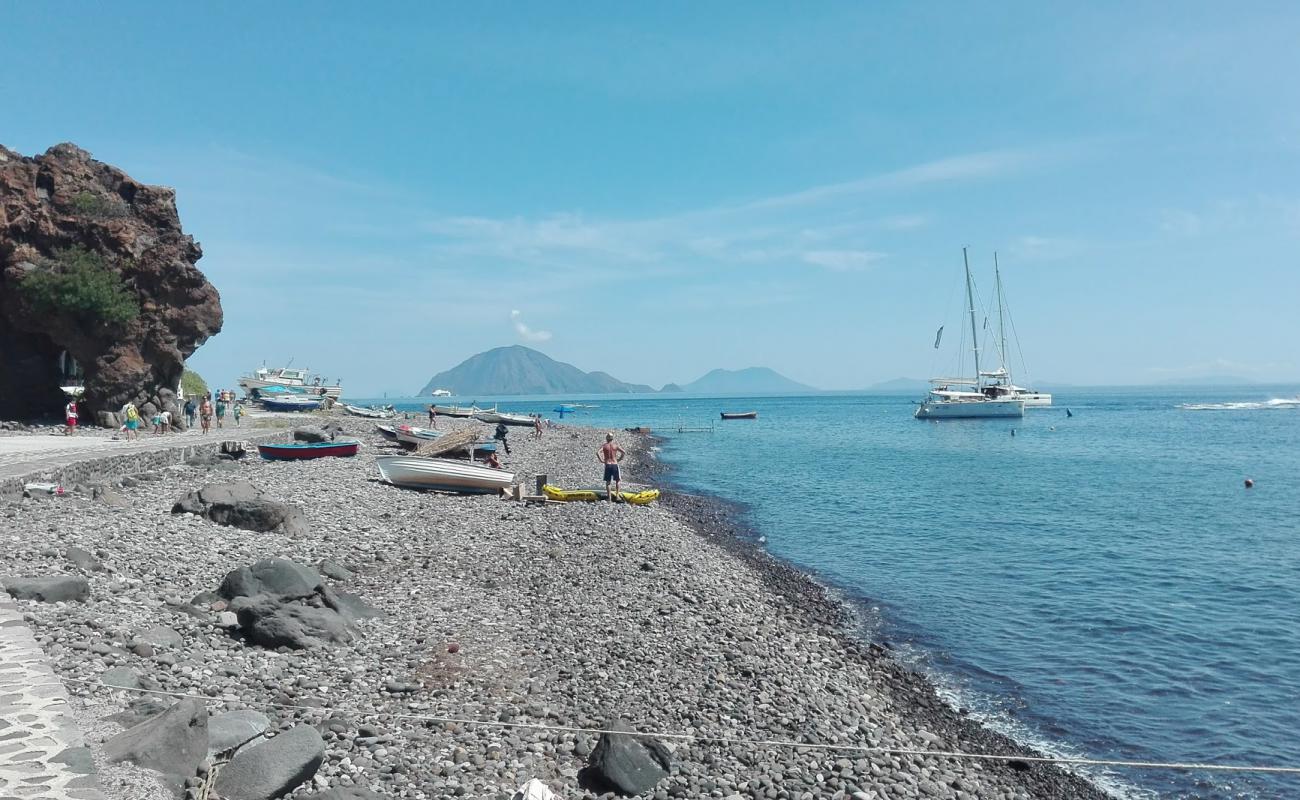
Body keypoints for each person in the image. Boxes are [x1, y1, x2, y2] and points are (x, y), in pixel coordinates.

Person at [597, 432, 626, 502]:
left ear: (606, 438)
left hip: (608, 464)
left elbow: (597, 452)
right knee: (617, 480)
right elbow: (623, 452)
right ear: (612, 438)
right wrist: (619, 459)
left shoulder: (604, 446)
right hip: (615, 464)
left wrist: (601, 460)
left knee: (608, 482)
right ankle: (617, 496)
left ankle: (609, 498)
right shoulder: (615, 445)